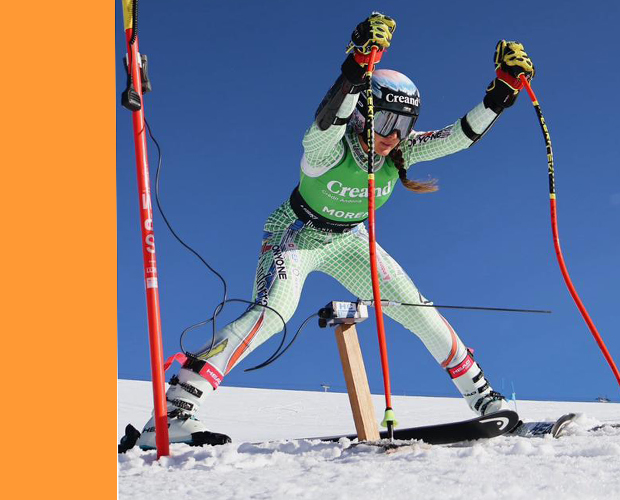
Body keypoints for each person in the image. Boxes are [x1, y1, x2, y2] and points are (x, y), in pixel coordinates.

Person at [137, 13, 535, 448]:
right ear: (365, 115)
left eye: (403, 126)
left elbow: (458, 137)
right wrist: (356, 68)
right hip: (296, 233)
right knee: (273, 315)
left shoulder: (400, 153)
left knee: (419, 311)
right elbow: (328, 120)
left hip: (349, 240)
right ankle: (174, 411)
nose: (393, 136)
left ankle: (485, 400)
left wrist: (502, 92)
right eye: (385, 122)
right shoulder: (328, 146)